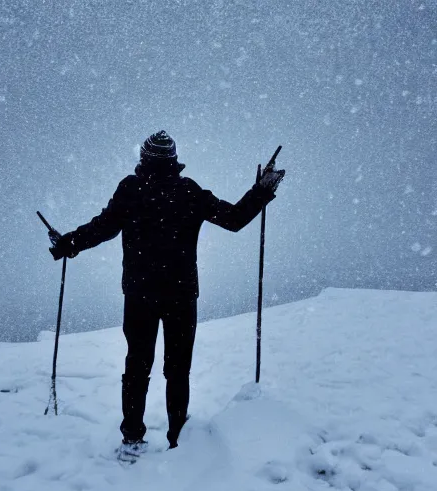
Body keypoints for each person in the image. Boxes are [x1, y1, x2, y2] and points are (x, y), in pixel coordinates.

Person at [49, 131, 284, 453]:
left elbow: (103, 227)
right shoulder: (188, 191)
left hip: (139, 295)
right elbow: (234, 219)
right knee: (178, 369)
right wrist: (261, 190)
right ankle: (178, 439)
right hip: (181, 295)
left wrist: (68, 244)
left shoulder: (131, 190)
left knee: (137, 366)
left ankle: (132, 437)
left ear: (144, 159)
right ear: (174, 161)